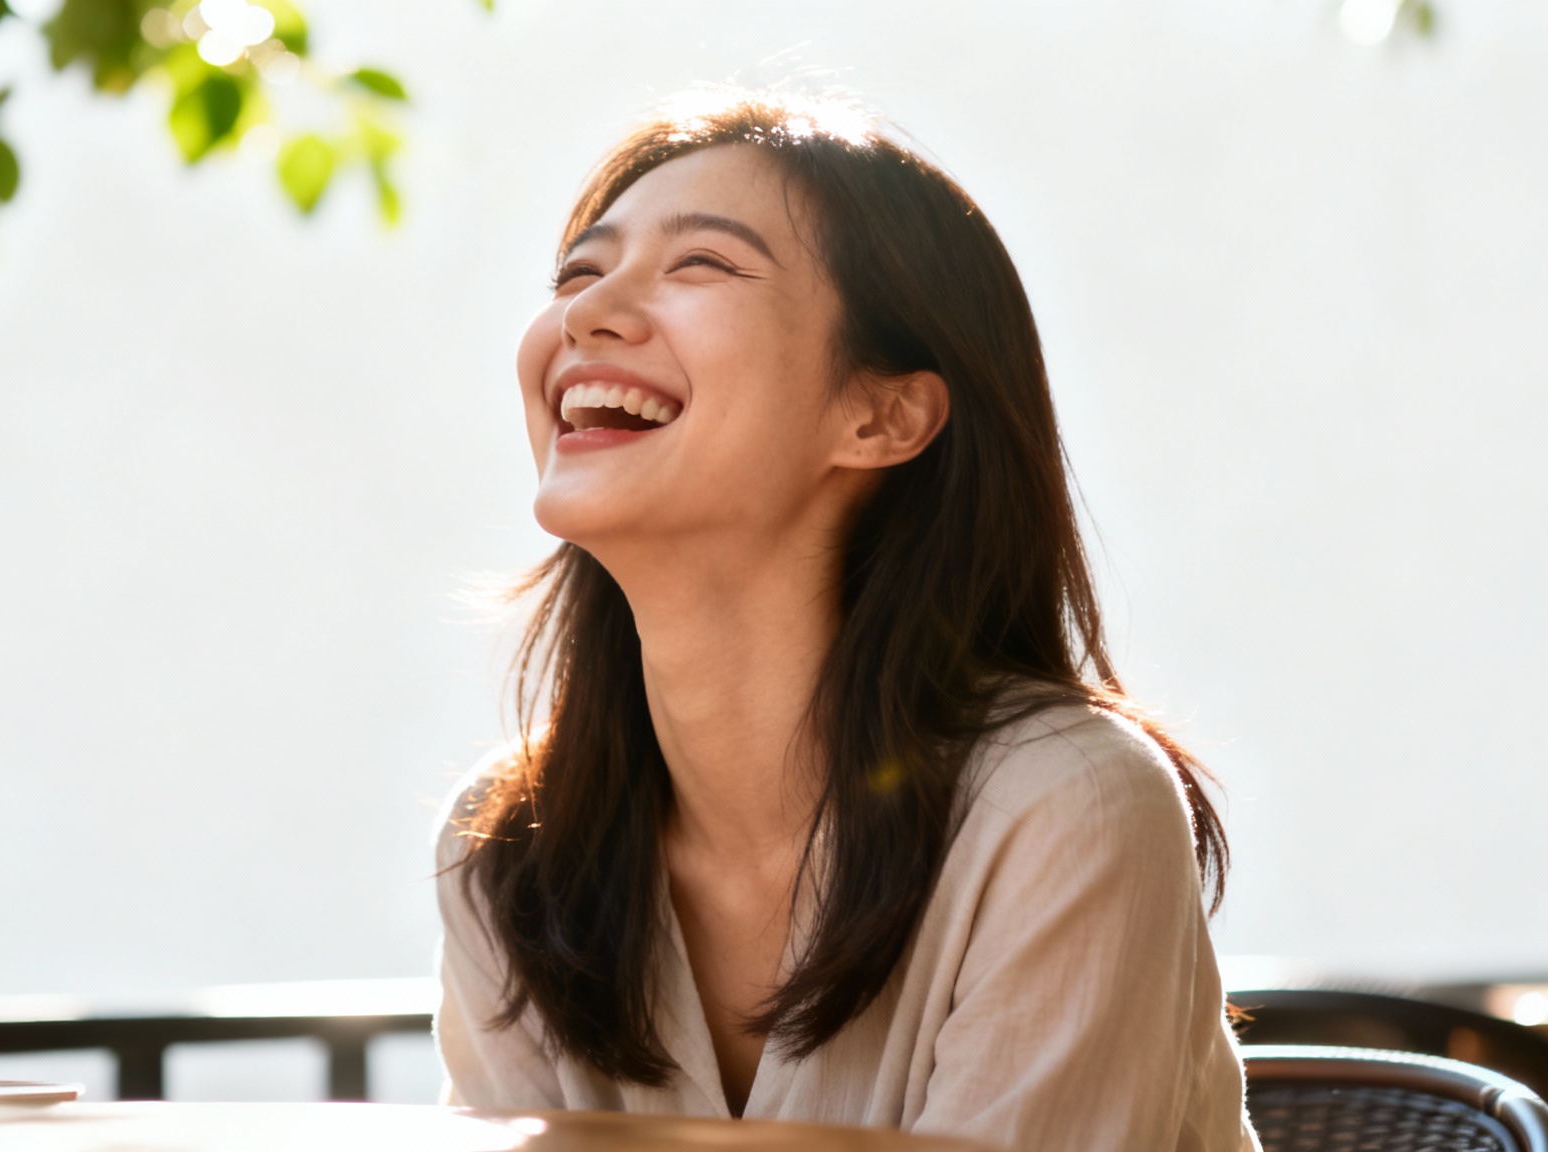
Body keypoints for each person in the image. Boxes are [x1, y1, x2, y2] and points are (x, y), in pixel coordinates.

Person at [434, 89, 1256, 1152]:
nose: (585, 313)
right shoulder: (509, 848)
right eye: (578, 274)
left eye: (700, 266)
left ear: (880, 415)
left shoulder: (1068, 807)